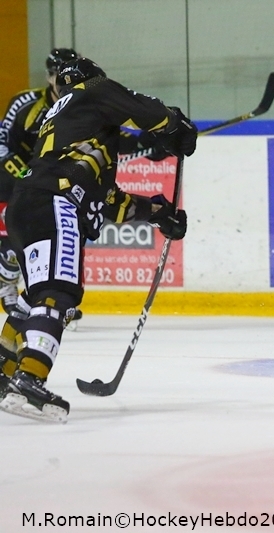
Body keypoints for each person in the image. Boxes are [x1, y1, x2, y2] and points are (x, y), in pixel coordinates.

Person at [0, 57, 197, 422]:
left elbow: (107, 201)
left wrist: (157, 213)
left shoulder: (72, 128)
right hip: (56, 202)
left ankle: (5, 371)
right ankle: (30, 378)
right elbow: (143, 108)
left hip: (28, 204)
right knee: (58, 293)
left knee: (35, 296)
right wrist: (175, 124)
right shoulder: (91, 89)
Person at [0, 49, 80, 318]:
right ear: (49, 76)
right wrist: (25, 175)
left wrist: (146, 144)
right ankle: (7, 287)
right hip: (10, 179)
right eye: (60, 75)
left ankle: (49, 295)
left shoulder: (81, 106)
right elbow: (1, 144)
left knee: (56, 239)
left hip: (45, 181)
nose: (67, 81)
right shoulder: (25, 104)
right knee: (14, 245)